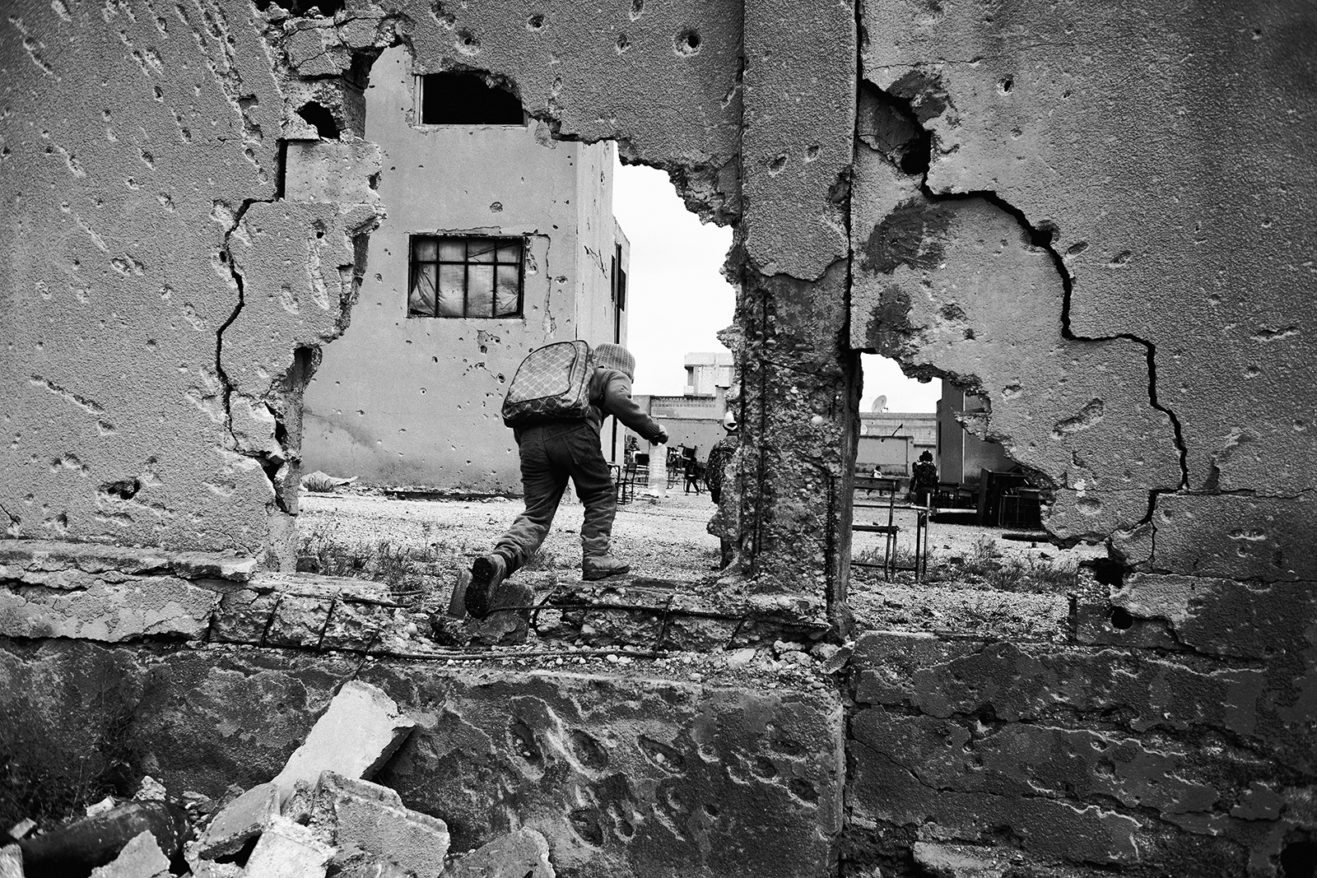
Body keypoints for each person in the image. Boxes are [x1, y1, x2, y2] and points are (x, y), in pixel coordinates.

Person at [465, 343, 668, 618]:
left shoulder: (571, 378)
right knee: (600, 493)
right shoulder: (610, 374)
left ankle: (499, 560)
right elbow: (619, 400)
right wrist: (653, 430)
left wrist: (535, 446)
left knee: (536, 514)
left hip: (530, 440)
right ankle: (597, 558)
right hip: (574, 435)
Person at [705, 410, 740, 568]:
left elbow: (710, 471)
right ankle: (738, 561)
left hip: (722, 490)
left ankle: (725, 561)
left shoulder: (718, 445)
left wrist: (713, 490)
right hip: (739, 489)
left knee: (725, 523)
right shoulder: (744, 446)